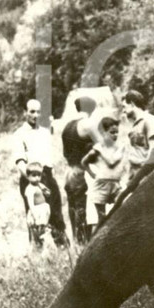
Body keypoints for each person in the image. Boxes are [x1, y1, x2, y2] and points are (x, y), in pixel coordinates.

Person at [13, 98, 67, 248]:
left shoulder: (44, 132)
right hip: (31, 178)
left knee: (55, 212)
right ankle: (37, 249)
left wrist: (49, 175)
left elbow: (48, 157)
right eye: (32, 111)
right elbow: (20, 162)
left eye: (38, 111)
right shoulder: (19, 134)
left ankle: (62, 247)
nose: (35, 115)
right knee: (36, 216)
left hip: (47, 175)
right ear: (25, 113)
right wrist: (34, 182)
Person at [81, 113, 126, 238]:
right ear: (103, 133)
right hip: (101, 185)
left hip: (115, 185)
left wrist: (101, 150)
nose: (115, 135)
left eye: (117, 132)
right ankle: (97, 241)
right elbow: (84, 162)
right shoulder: (97, 148)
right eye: (112, 132)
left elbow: (112, 162)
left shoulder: (119, 147)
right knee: (101, 217)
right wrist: (92, 173)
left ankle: (117, 237)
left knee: (120, 211)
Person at [62, 95, 99, 245]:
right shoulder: (87, 125)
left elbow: (65, 153)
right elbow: (103, 146)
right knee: (84, 209)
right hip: (82, 172)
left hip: (69, 171)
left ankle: (77, 242)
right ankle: (84, 245)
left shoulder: (67, 126)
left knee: (73, 209)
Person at [122, 90, 154, 180]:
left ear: (132, 104)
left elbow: (153, 149)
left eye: (124, 107)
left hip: (145, 175)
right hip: (134, 174)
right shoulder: (135, 124)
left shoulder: (148, 120)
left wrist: (146, 174)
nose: (123, 111)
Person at [23, 161, 53, 250]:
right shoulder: (30, 189)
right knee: (38, 230)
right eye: (34, 175)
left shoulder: (39, 185)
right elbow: (30, 204)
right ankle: (38, 247)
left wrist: (44, 189)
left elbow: (48, 194)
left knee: (44, 228)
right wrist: (35, 215)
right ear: (28, 176)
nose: (37, 178)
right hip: (37, 211)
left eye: (39, 175)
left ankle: (45, 247)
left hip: (43, 210)